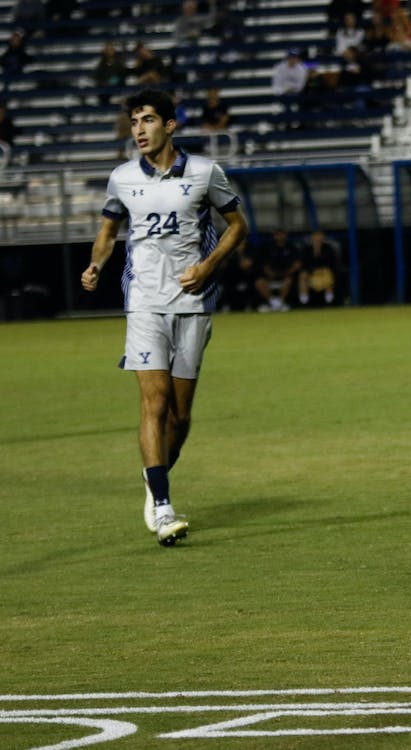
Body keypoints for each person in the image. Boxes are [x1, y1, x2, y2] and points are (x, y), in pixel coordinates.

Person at [80, 88, 248, 547]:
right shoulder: (121, 178)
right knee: (153, 403)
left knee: (180, 414)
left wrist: (208, 266)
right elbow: (108, 232)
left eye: (148, 120)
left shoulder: (203, 173)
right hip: (144, 302)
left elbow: (238, 227)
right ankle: (163, 503)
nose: (139, 129)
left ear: (170, 125)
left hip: (193, 304)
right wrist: (96, 264)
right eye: (134, 121)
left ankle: (154, 479)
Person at [254, 228, 301, 311]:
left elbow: (297, 263)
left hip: (286, 274)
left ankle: (281, 302)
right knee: (259, 282)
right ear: (274, 236)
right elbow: (263, 264)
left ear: (285, 235)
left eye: (281, 234)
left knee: (288, 281)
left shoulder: (291, 247)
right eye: (277, 235)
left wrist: (288, 272)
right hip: (270, 275)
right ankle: (273, 302)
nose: (280, 237)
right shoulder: (268, 247)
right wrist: (269, 273)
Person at [298, 229, 341, 306]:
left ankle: (329, 300)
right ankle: (304, 300)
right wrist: (312, 271)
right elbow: (304, 263)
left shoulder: (328, 248)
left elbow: (332, 262)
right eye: (316, 236)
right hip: (311, 272)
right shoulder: (307, 249)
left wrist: (321, 270)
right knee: (303, 275)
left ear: (323, 237)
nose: (318, 238)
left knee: (328, 274)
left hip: (324, 272)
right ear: (312, 237)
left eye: (320, 236)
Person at [94, 41, 127, 106]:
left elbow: (121, 75)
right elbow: (97, 76)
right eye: (107, 49)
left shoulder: (119, 62)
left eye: (111, 49)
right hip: (104, 89)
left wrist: (111, 82)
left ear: (114, 50)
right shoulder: (101, 64)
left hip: (118, 87)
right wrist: (104, 83)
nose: (109, 51)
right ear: (104, 51)